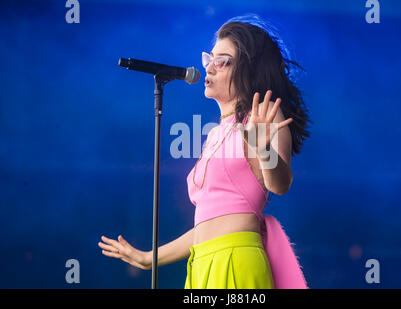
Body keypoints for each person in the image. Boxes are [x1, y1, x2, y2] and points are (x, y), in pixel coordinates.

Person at [98, 14, 312, 289]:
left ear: (248, 69)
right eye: (209, 58)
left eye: (221, 61)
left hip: (237, 260)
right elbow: (208, 226)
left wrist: (262, 148)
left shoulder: (262, 116)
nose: (209, 68)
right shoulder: (214, 133)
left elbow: (280, 184)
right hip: (201, 265)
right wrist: (149, 258)